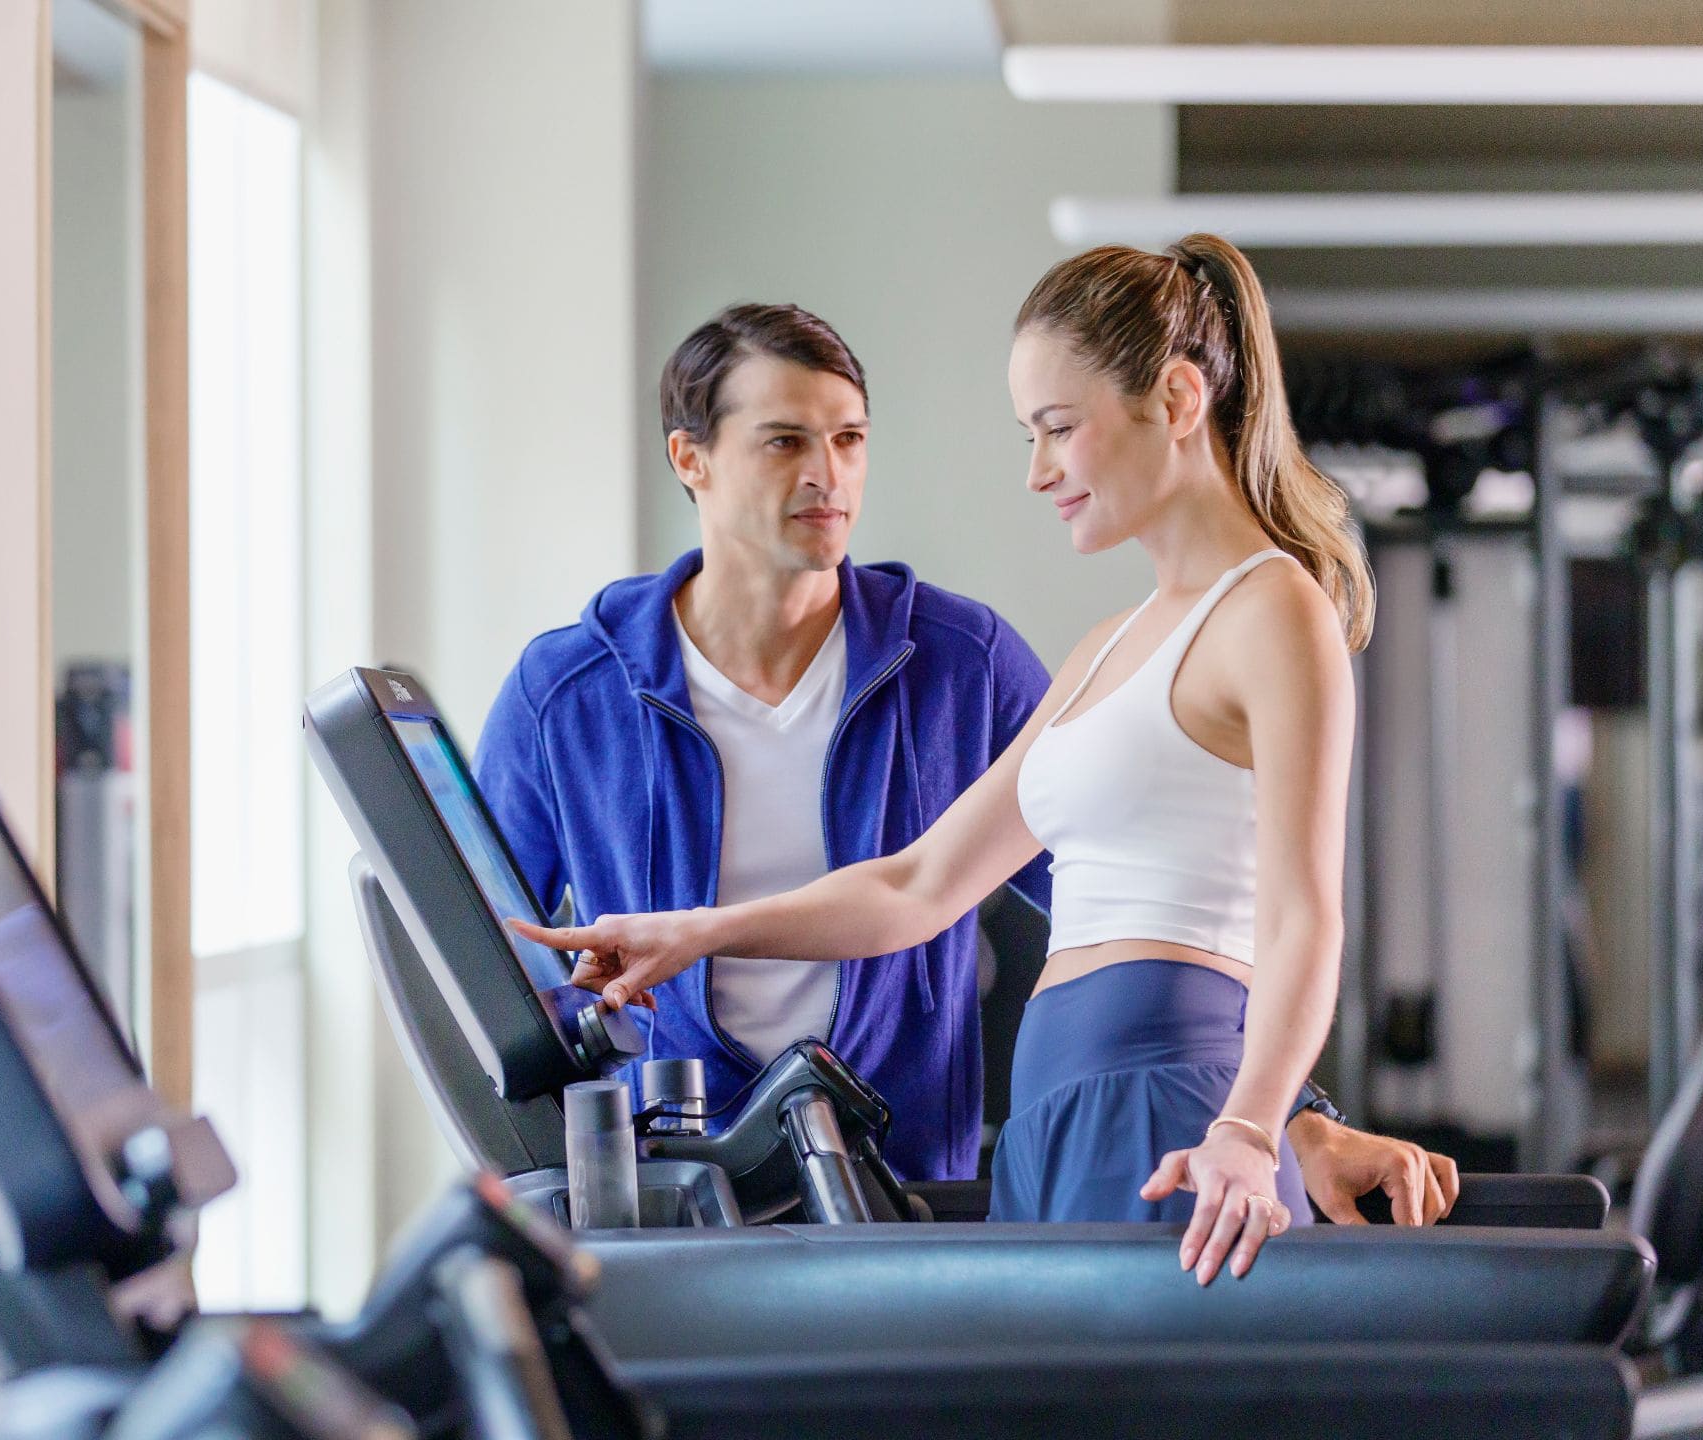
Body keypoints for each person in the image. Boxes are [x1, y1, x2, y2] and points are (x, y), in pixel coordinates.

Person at [478, 291, 1455, 1249]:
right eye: (785, 440)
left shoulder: (1216, 619)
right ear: (689, 459)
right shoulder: (1108, 645)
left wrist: (1272, 1119)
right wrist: (695, 935)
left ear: (1178, 401)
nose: (1036, 470)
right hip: (1024, 1121)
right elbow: (921, 882)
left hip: (1111, 1114)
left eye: (1057, 426)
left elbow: (1289, 912)